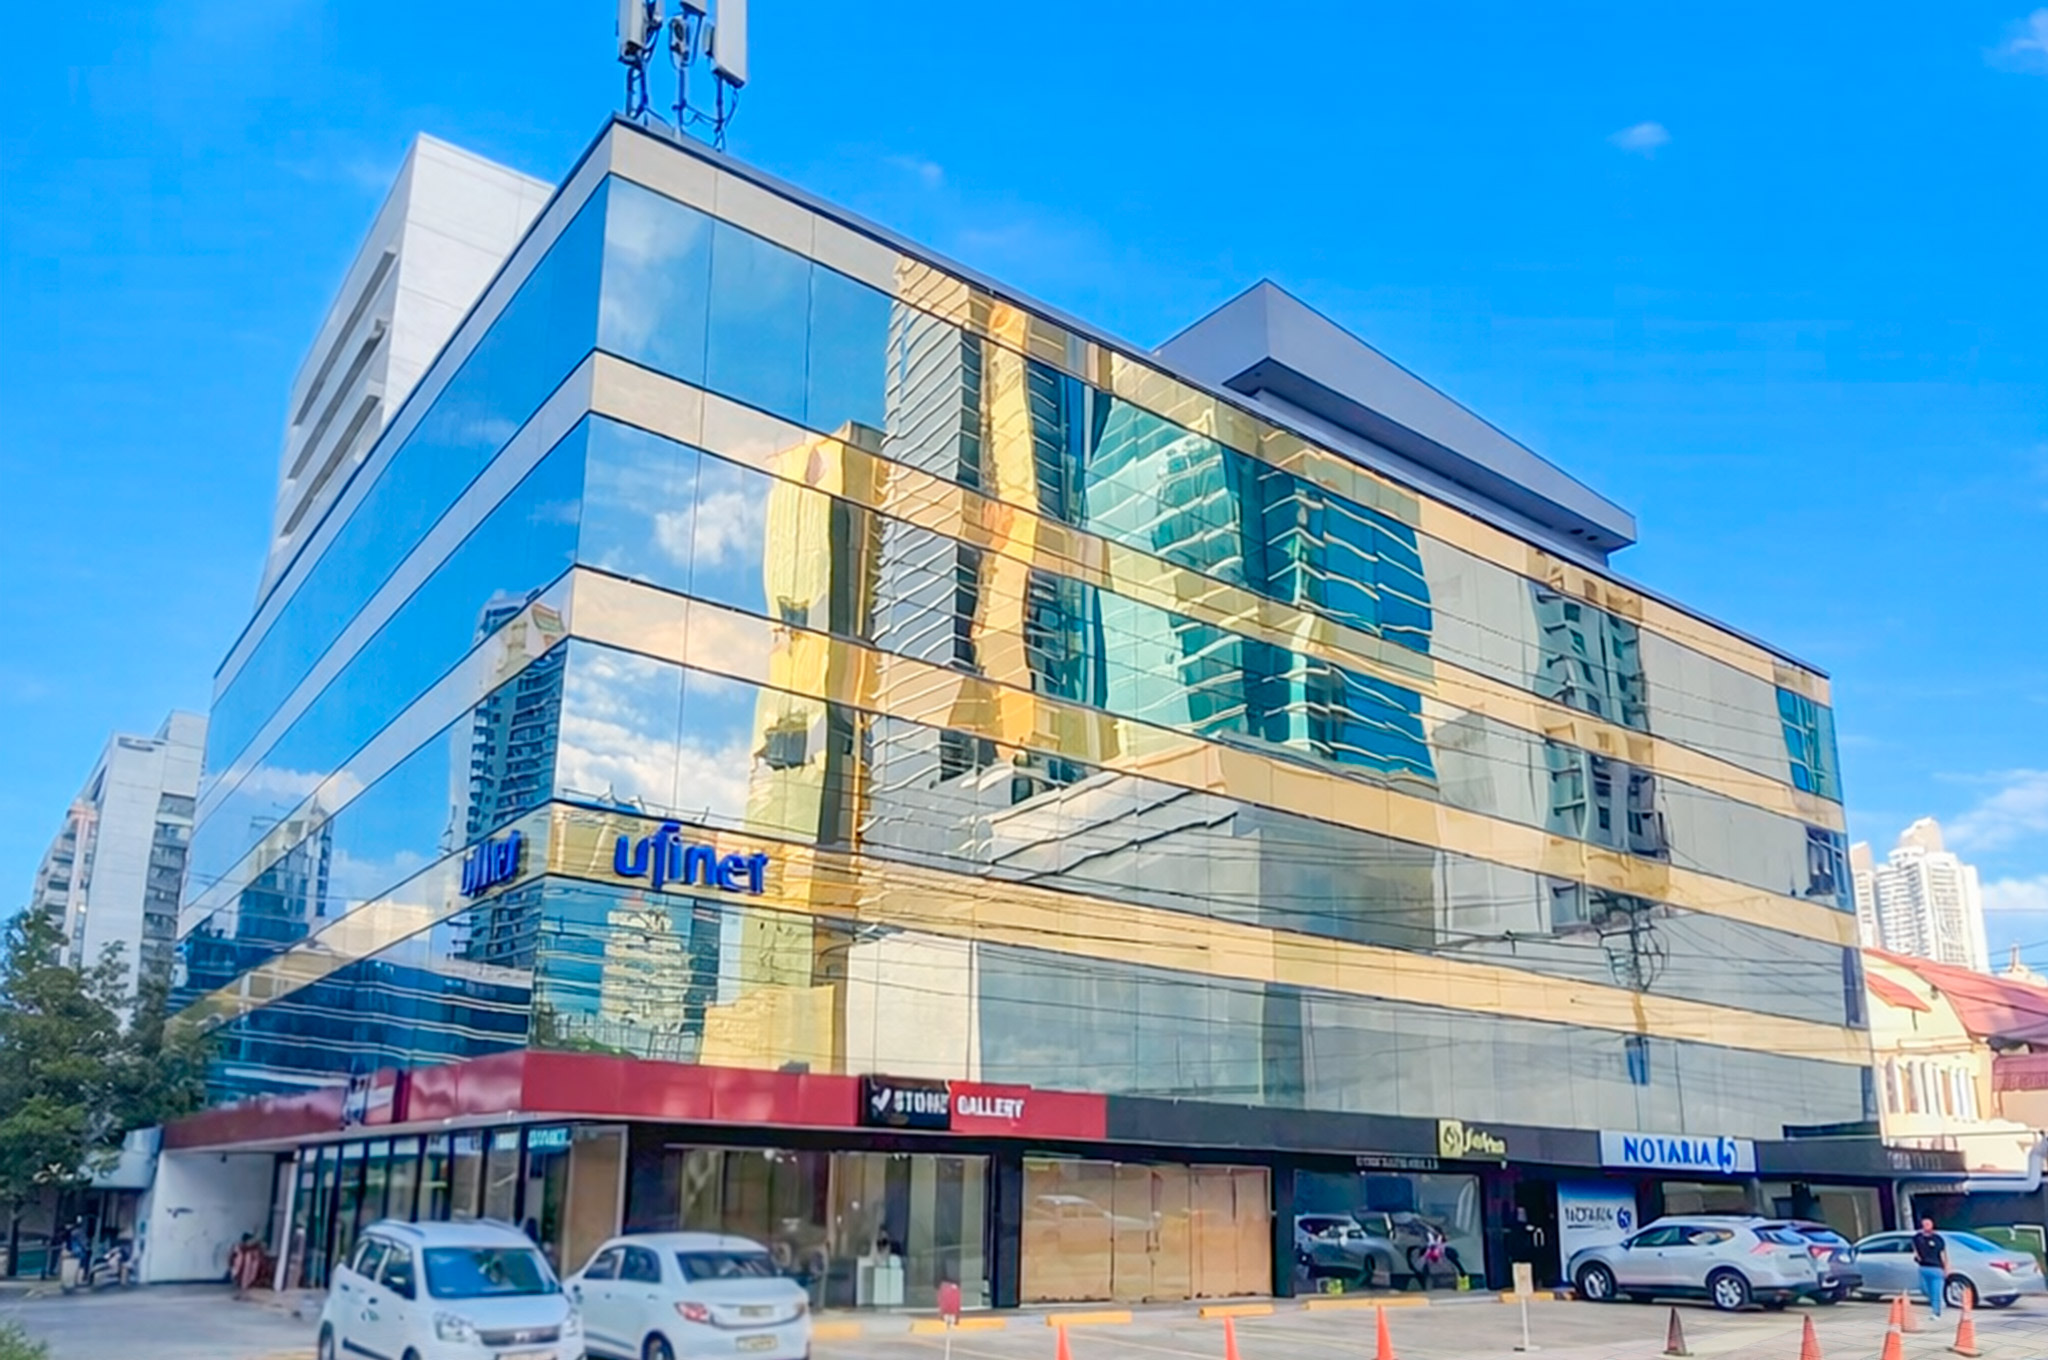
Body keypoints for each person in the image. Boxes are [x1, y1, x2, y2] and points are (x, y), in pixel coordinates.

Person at [1911, 1217, 1950, 1318]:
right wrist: (1917, 1257)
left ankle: (1936, 1312)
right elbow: (1915, 1249)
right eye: (1924, 1224)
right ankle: (1939, 1302)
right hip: (1923, 1268)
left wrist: (1946, 1268)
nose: (1926, 1226)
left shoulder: (1938, 1239)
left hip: (1936, 1269)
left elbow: (1943, 1254)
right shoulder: (1917, 1238)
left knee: (1936, 1291)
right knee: (1924, 1290)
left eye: (1928, 1224)